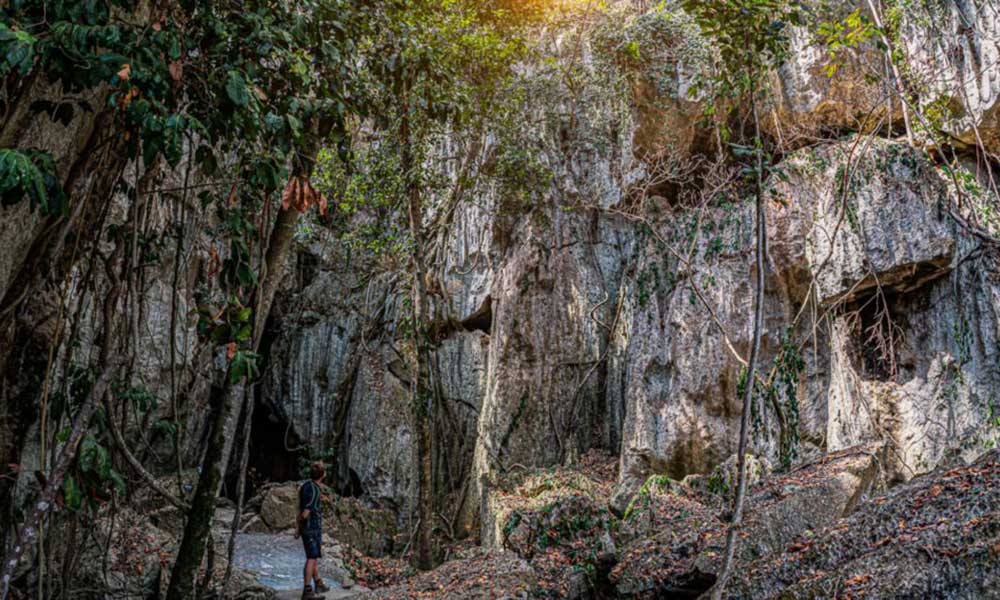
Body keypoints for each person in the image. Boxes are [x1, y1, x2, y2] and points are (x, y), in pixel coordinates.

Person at [295, 461, 330, 599]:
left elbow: (300, 507)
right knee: (311, 558)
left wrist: (298, 527)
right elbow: (306, 512)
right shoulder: (315, 490)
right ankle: (307, 590)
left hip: (306, 528)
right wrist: (303, 523)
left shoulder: (306, 485)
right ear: (323, 475)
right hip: (312, 528)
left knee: (313, 556)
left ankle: (318, 583)